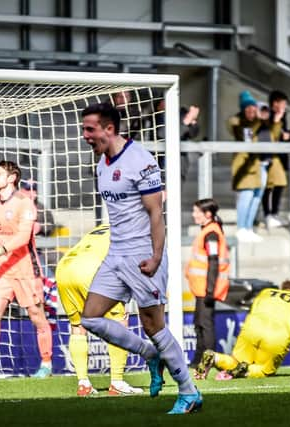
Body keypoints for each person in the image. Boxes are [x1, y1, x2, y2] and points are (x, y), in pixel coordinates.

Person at [79, 103, 201, 414]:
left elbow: (155, 213)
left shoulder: (140, 160)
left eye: (90, 129)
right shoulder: (102, 164)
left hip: (143, 255)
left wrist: (157, 256)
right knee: (90, 317)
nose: (85, 136)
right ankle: (149, 354)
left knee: (154, 325)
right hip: (115, 254)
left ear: (109, 128)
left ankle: (189, 392)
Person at [0, 160, 53, 380]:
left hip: (25, 268)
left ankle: (46, 363)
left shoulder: (25, 203)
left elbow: (23, 238)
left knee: (36, 315)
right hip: (2, 268)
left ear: (12, 178)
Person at [56, 224, 144, 396]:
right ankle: (117, 382)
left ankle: (83, 383)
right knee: (120, 321)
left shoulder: (103, 227)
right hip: (92, 269)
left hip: (65, 268)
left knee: (78, 326)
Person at [194, 280, 290, 380]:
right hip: (277, 335)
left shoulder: (266, 292)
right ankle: (243, 371)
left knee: (235, 360)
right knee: (264, 370)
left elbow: (253, 311)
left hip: (252, 328)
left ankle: (214, 357)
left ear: (283, 288)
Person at [228, 90, 282, 242]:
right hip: (246, 167)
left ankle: (249, 227)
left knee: (257, 197)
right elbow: (246, 136)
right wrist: (258, 120)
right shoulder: (239, 122)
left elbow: (273, 137)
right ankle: (241, 228)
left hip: (262, 165)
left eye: (254, 109)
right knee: (247, 196)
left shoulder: (262, 124)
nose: (252, 112)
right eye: (248, 109)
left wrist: (275, 120)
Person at [185, 198, 230, 368]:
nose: (194, 215)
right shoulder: (207, 231)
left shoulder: (211, 233)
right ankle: (198, 359)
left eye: (197, 211)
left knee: (205, 324)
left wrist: (210, 290)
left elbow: (214, 263)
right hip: (201, 288)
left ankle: (207, 361)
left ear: (208, 214)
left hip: (207, 288)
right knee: (199, 324)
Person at [262, 90, 290, 229]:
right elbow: (270, 136)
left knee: (278, 185)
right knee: (270, 186)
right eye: (282, 103)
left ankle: (273, 214)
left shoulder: (283, 117)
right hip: (270, 156)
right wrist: (276, 120)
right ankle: (268, 214)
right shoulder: (268, 116)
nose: (284, 106)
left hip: (280, 155)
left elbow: (281, 136)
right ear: (275, 103)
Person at [154, 99, 200, 182]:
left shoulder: (180, 112)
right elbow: (162, 134)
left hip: (179, 166)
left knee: (176, 193)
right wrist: (186, 121)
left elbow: (193, 134)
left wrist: (192, 121)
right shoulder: (155, 116)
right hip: (159, 166)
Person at [19, 179, 58, 277]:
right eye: (28, 190)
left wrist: (40, 227)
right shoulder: (14, 206)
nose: (32, 193)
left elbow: (50, 225)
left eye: (34, 190)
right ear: (21, 191)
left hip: (40, 247)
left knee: (58, 258)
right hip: (19, 247)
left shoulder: (41, 208)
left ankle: (53, 286)